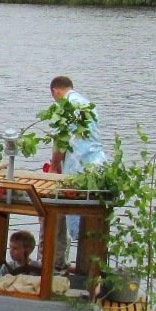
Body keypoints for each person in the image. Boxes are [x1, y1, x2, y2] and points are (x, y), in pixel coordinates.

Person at [48, 75, 107, 270]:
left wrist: (55, 165)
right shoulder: (89, 105)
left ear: (56, 91)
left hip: (77, 166)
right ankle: (91, 265)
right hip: (97, 163)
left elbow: (61, 140)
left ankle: (63, 265)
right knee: (92, 216)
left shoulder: (63, 106)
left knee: (68, 209)